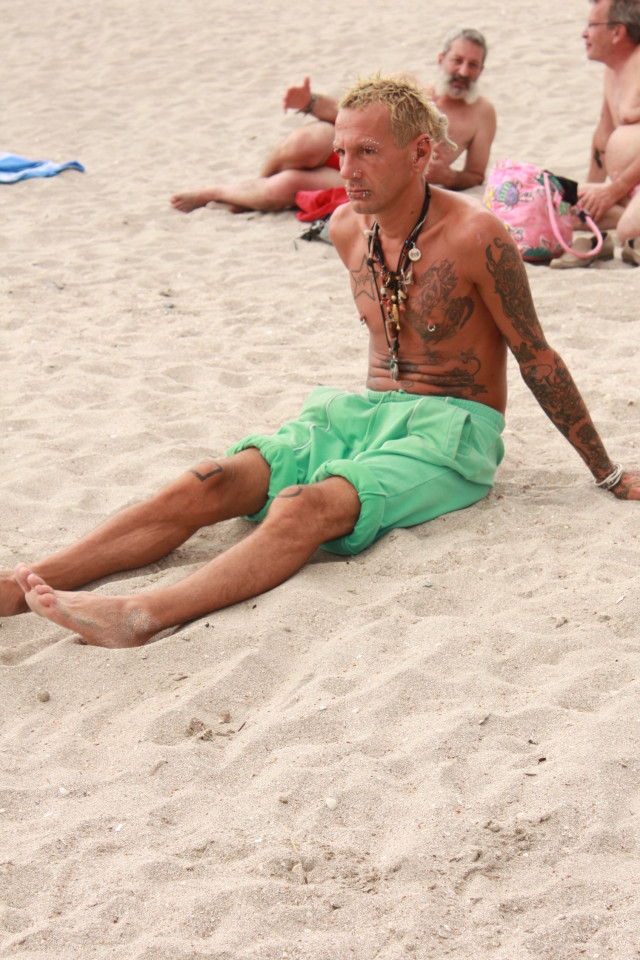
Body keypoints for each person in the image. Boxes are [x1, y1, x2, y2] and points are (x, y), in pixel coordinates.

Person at [3, 75, 638, 650]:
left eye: (368, 151)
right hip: (361, 414)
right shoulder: (345, 229)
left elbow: (536, 357)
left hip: (451, 431)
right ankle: (22, 584)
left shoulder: (477, 235)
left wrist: (607, 473)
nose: (348, 169)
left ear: (420, 152)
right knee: (208, 480)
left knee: (302, 507)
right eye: (342, 151)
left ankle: (141, 614)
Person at [169, 27, 497, 215]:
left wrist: (449, 176)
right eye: (457, 61)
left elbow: (474, 175)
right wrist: (310, 103)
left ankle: (217, 192)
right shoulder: (408, 84)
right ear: (441, 60)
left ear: (481, 70)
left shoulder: (482, 114)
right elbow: (352, 112)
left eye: (473, 65)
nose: (463, 71)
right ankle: (254, 185)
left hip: (380, 171)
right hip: (352, 143)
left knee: (288, 185)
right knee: (306, 142)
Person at [554, 0, 640, 267]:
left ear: (618, 32)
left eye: (592, 25)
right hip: (626, 187)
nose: (584, 33)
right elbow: (603, 137)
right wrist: (591, 195)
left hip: (624, 186)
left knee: (629, 231)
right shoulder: (613, 71)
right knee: (557, 205)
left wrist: (612, 191)